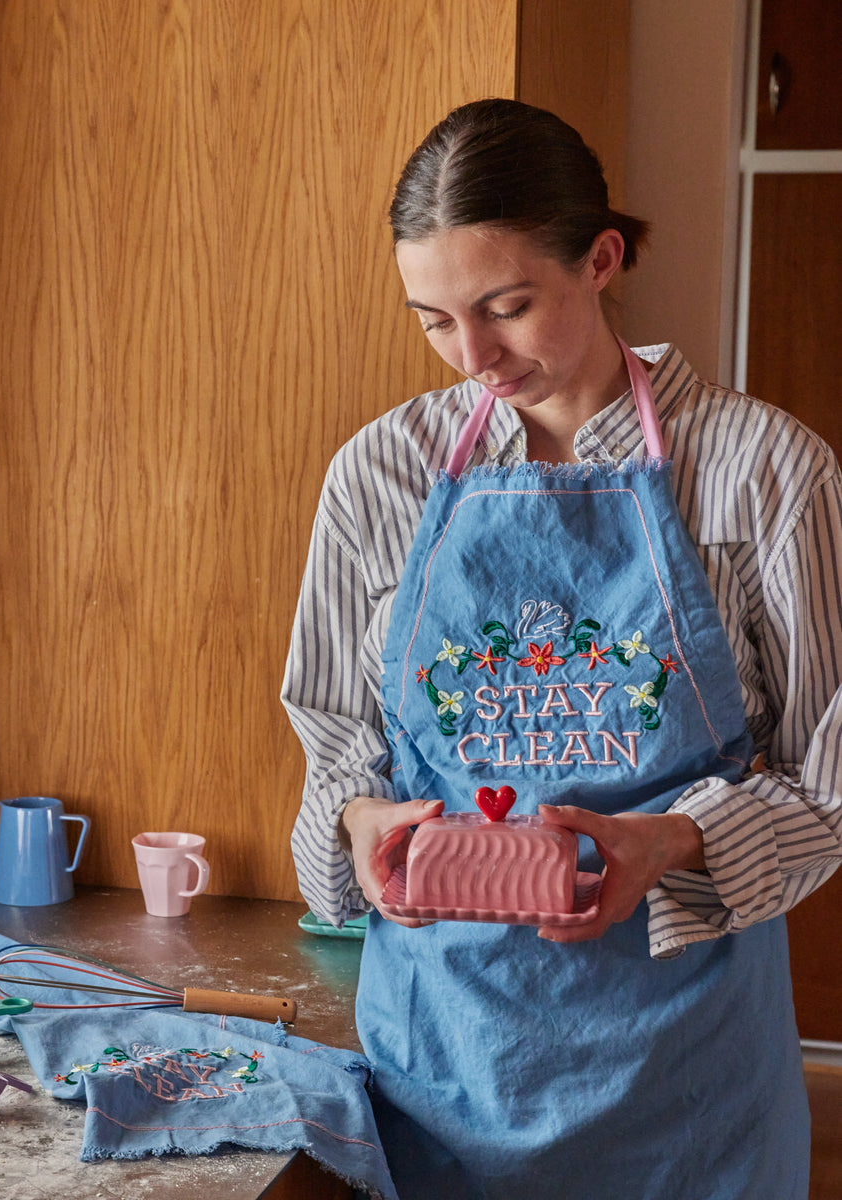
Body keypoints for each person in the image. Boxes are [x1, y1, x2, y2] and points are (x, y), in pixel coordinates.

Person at [281, 99, 842, 1199]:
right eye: (436, 320)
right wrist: (363, 823)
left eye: (507, 307)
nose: (475, 356)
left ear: (601, 258)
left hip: (686, 1082)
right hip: (444, 1066)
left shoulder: (766, 472)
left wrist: (671, 840)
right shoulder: (378, 476)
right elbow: (339, 736)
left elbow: (834, 773)